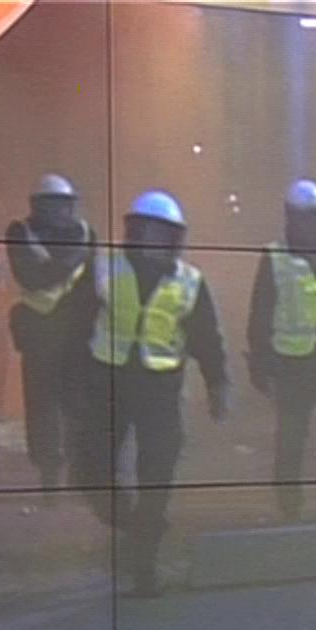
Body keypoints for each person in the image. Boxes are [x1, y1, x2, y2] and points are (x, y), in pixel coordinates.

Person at [87, 190, 232, 596]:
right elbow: (79, 324)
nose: (155, 238)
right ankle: (131, 524)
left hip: (160, 388)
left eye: (164, 232)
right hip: (109, 382)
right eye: (148, 230)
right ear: (134, 230)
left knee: (157, 474)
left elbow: (206, 336)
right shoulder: (106, 268)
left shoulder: (189, 280)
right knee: (95, 470)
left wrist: (217, 383)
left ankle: (145, 561)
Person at [247, 179, 316, 523]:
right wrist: (260, 363)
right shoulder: (274, 257)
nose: (303, 224)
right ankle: (290, 508)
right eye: (298, 217)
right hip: (291, 363)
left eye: (309, 216)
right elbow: (261, 312)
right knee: (292, 438)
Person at [5, 173, 97, 491]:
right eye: (53, 204)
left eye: (65, 204)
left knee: (78, 404)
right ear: (38, 205)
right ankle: (49, 472)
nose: (60, 211)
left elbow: (93, 284)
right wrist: (71, 261)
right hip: (39, 332)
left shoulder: (85, 233)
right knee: (42, 405)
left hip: (76, 331)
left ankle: (77, 468)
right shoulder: (21, 232)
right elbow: (31, 277)